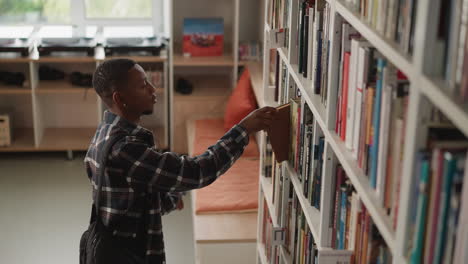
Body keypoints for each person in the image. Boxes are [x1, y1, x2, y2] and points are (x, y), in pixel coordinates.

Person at [84, 58, 277, 264]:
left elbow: (129, 198)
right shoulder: (126, 149)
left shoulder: (106, 131)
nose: (153, 89)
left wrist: (170, 199)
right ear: (120, 98)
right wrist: (243, 130)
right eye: (143, 85)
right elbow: (196, 172)